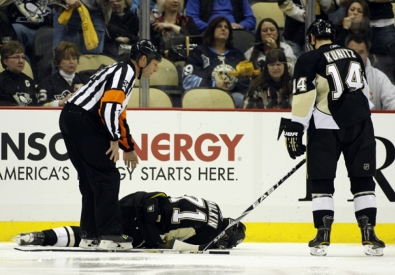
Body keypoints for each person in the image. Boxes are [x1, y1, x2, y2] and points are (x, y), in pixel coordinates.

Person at [283, 19, 385, 256]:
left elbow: (304, 96)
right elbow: (363, 92)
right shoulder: (352, 54)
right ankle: (369, 234)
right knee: (363, 180)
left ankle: (322, 236)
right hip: (361, 124)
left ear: (311, 39)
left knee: (321, 181)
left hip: (326, 125)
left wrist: (295, 128)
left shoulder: (309, 59)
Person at [58, 40, 161, 251]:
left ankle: (90, 235)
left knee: (90, 179)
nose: (156, 68)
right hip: (85, 120)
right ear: (143, 60)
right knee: (107, 176)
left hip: (71, 117)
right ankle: (110, 236)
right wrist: (114, 139)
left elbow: (118, 115)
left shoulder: (118, 69)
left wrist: (128, 148)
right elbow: (109, 108)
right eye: (154, 63)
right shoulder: (126, 74)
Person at [12, 191, 246, 250]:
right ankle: (42, 238)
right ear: (225, 234)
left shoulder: (213, 205)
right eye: (227, 241)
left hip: (138, 199)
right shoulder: (209, 236)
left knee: (95, 229)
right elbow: (172, 246)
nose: (224, 245)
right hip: (142, 224)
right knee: (99, 239)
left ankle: (41, 235)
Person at [182, 16, 249, 108]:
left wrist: (241, 79)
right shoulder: (199, 52)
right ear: (211, 30)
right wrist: (213, 84)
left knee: (240, 99)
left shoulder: (237, 54)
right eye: (219, 26)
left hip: (233, 97)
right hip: (206, 96)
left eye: (226, 27)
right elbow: (187, 80)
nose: (223, 29)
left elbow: (248, 84)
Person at [346, 33, 395, 110]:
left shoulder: (379, 77)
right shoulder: (336, 74)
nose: (356, 56)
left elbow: (392, 100)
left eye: (361, 52)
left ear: (367, 54)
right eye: (352, 52)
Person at [37, 41, 90, 107]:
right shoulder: (47, 83)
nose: (71, 62)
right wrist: (60, 103)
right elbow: (41, 106)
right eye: (67, 58)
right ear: (58, 61)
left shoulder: (87, 81)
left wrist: (86, 90)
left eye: (74, 58)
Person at [0, 40, 36, 106]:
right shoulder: (1, 81)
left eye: (23, 57)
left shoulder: (30, 81)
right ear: (5, 61)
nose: (21, 61)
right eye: (16, 57)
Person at [185, 0, 256, 34]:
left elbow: (250, 19)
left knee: (254, 34)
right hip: (208, 33)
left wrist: (241, 25)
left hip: (235, 32)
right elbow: (191, 19)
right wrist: (212, 27)